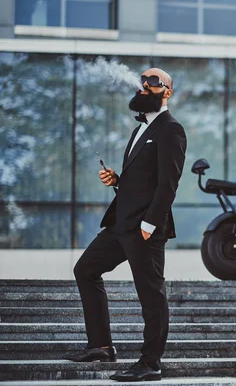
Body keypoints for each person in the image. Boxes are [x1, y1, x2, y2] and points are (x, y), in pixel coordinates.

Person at [64, 68, 187, 382]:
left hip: (144, 227)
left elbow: (167, 185)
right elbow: (142, 181)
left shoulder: (171, 129)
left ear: (167, 92)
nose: (146, 84)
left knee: (151, 294)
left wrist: (149, 224)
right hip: (122, 222)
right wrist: (117, 181)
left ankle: (150, 363)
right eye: (143, 81)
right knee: (86, 270)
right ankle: (102, 345)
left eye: (154, 81)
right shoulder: (141, 130)